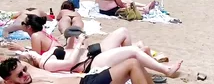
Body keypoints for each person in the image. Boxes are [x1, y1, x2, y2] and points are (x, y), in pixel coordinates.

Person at [19, 32, 182, 77]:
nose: (29, 51)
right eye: (28, 54)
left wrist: (73, 39)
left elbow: (65, 51)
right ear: (30, 59)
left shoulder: (45, 54)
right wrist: (80, 44)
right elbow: (70, 64)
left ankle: (138, 62)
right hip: (91, 62)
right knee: (133, 51)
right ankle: (165, 70)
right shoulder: (46, 64)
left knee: (123, 32)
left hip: (91, 51)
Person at [0, 57, 155, 84]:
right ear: (8, 81)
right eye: (20, 75)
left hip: (87, 79)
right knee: (132, 64)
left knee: (136, 64)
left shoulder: (29, 76)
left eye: (24, 70)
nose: (25, 74)